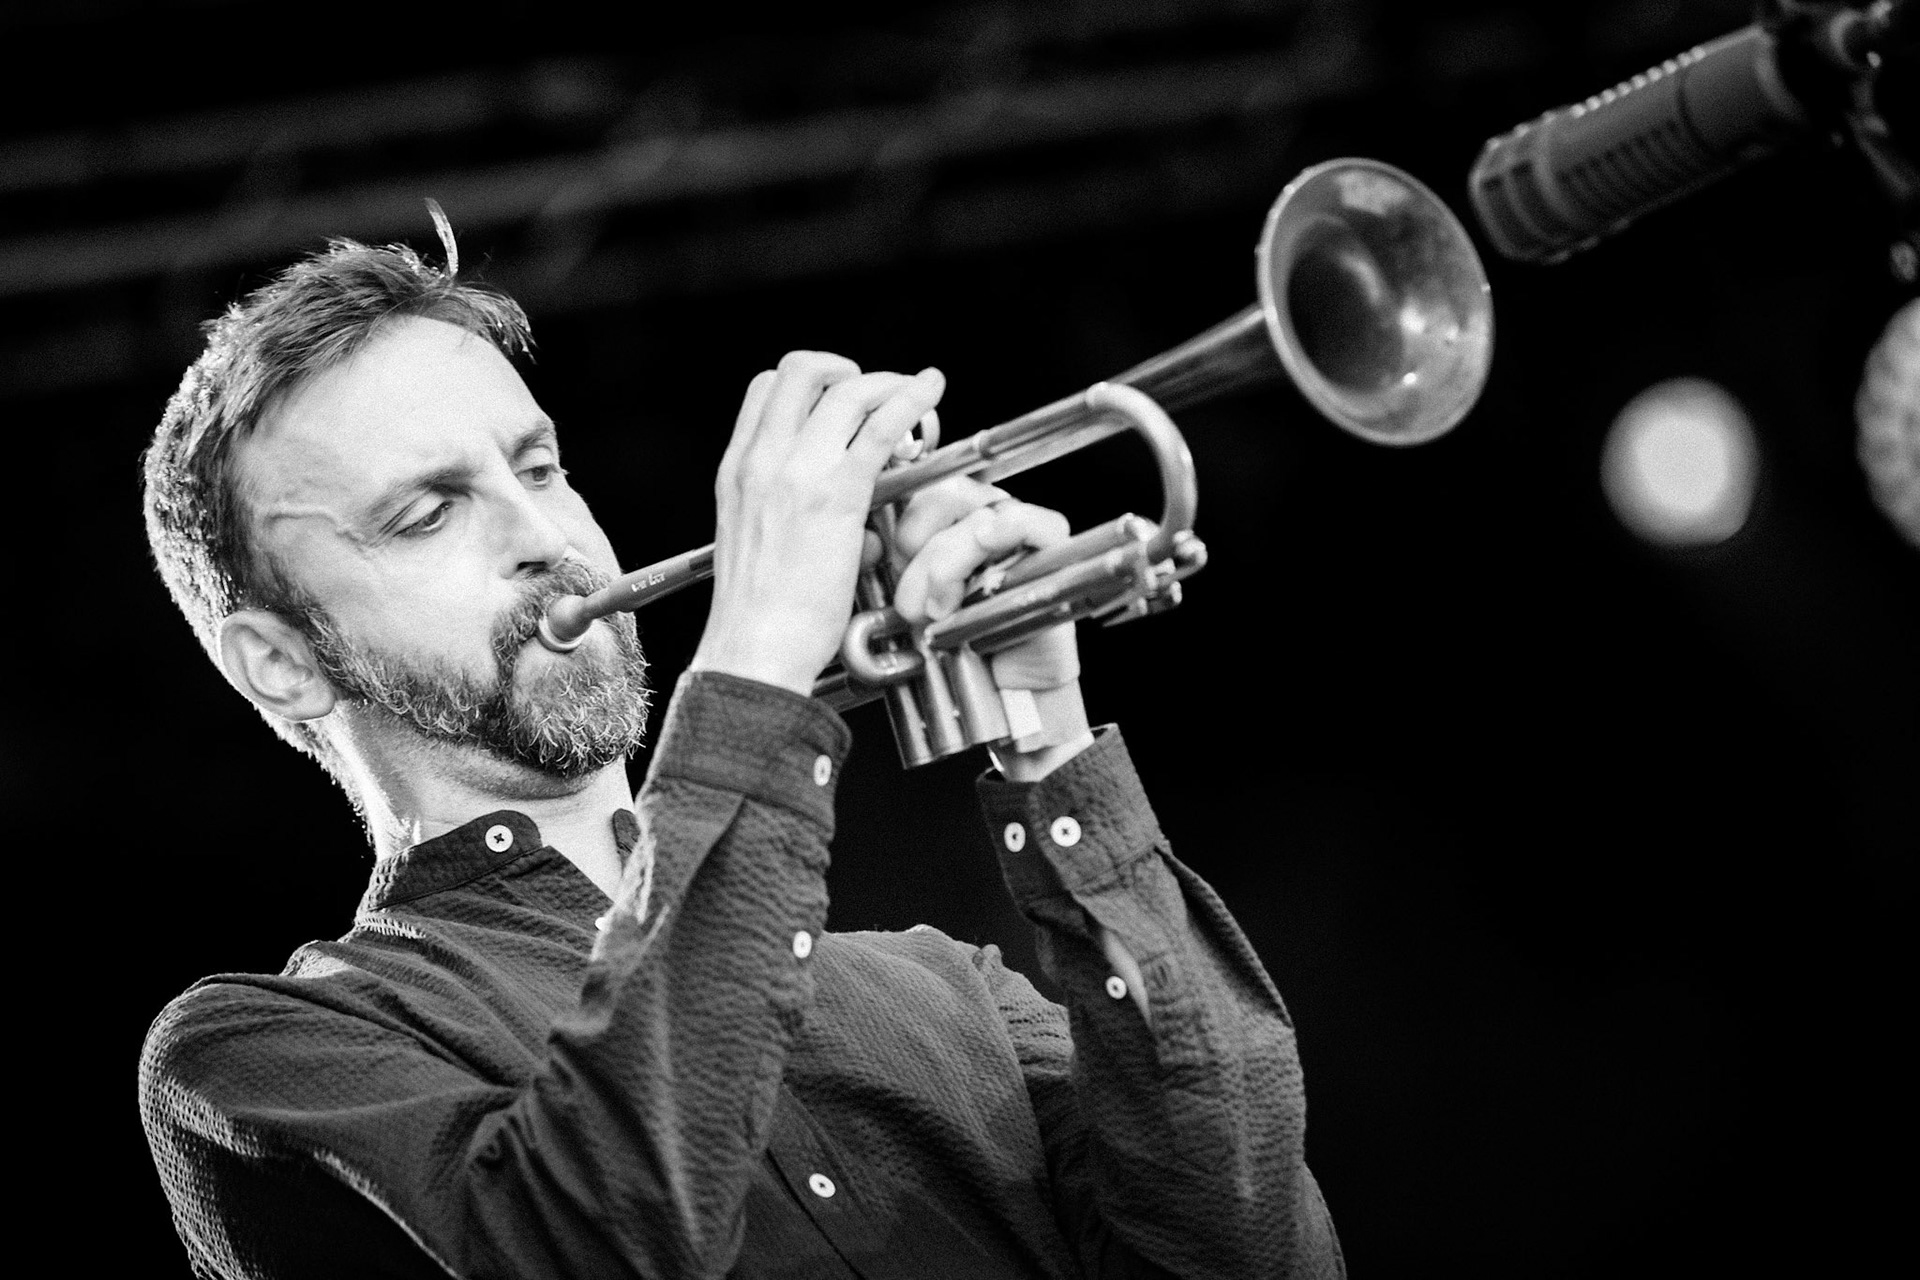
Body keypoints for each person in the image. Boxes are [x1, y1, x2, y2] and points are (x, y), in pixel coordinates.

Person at [137, 228, 1343, 1279]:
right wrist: (762, 641)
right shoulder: (263, 1057)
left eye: (541, 465)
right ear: (280, 662)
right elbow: (608, 1237)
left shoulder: (949, 989)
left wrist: (1046, 729)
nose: (545, 535)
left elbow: (1255, 1251)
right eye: (428, 512)